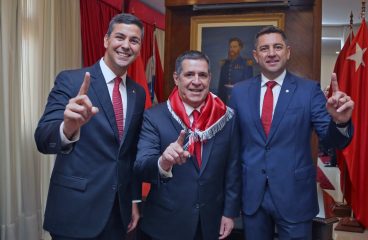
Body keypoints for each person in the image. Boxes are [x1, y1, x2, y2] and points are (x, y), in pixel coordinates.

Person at [229, 26, 354, 239]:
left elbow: (331, 139)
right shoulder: (239, 92)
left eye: (277, 47)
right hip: (252, 195)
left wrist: (340, 122)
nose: (271, 53)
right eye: (264, 48)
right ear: (255, 55)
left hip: (295, 194)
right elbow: (233, 146)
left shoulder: (308, 90)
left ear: (288, 52)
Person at [34, 13, 146, 240]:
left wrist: (134, 199)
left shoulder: (138, 92)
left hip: (118, 213)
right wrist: (67, 128)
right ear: (106, 40)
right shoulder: (71, 81)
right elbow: (43, 139)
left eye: (133, 41)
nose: (126, 45)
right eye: (120, 37)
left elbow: (130, 152)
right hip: (75, 210)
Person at [134, 50, 241, 240]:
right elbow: (141, 166)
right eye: (189, 74)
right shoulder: (154, 117)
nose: (197, 81)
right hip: (165, 224)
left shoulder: (227, 118)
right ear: (177, 78)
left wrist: (230, 212)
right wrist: (164, 162)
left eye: (202, 75)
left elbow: (233, 169)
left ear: (210, 78)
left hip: (211, 223)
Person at [218, 37, 253, 103]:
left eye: (234, 47)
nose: (232, 49)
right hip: (224, 99)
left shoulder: (246, 63)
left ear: (240, 48)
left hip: (240, 98)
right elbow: (221, 85)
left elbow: (248, 86)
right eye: (230, 47)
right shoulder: (224, 64)